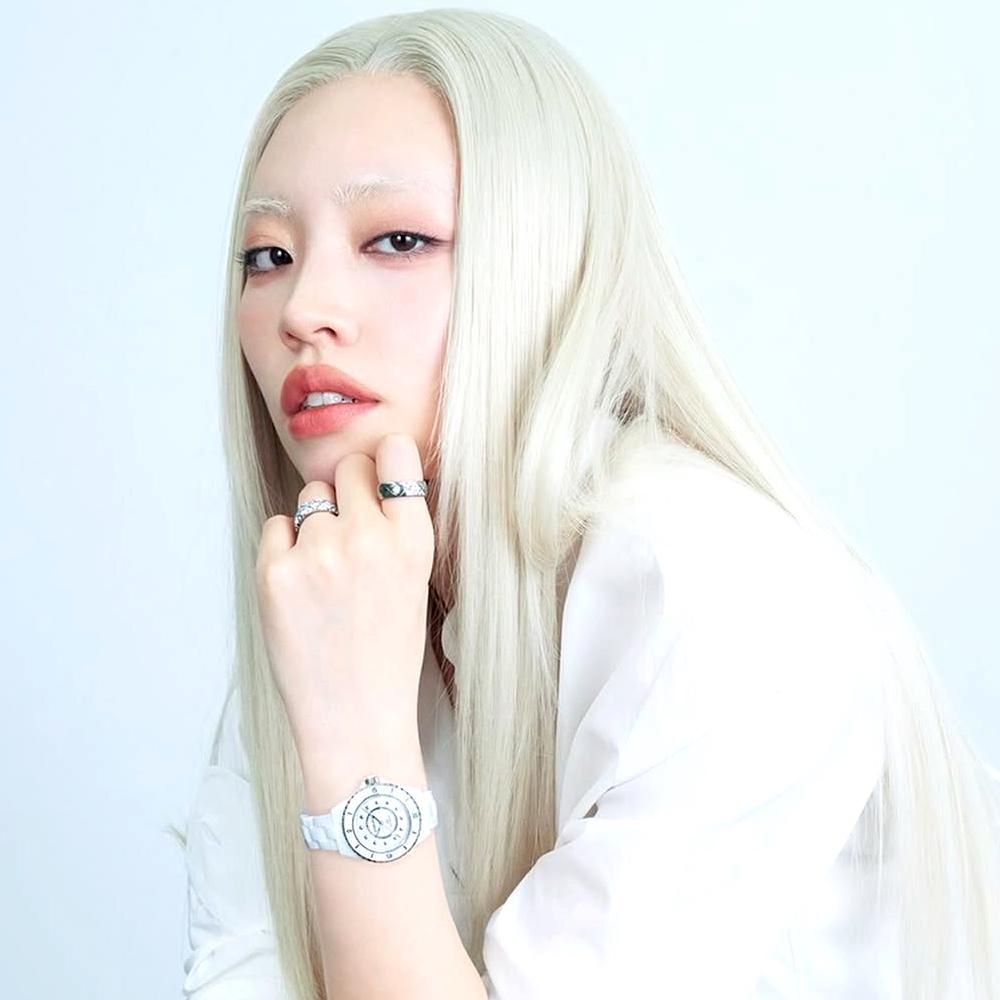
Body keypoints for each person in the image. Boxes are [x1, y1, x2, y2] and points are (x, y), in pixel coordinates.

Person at [171, 8, 1000, 999]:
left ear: (545, 265)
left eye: (397, 239)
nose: (303, 309)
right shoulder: (338, 608)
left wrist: (355, 748)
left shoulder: (720, 594)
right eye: (267, 255)